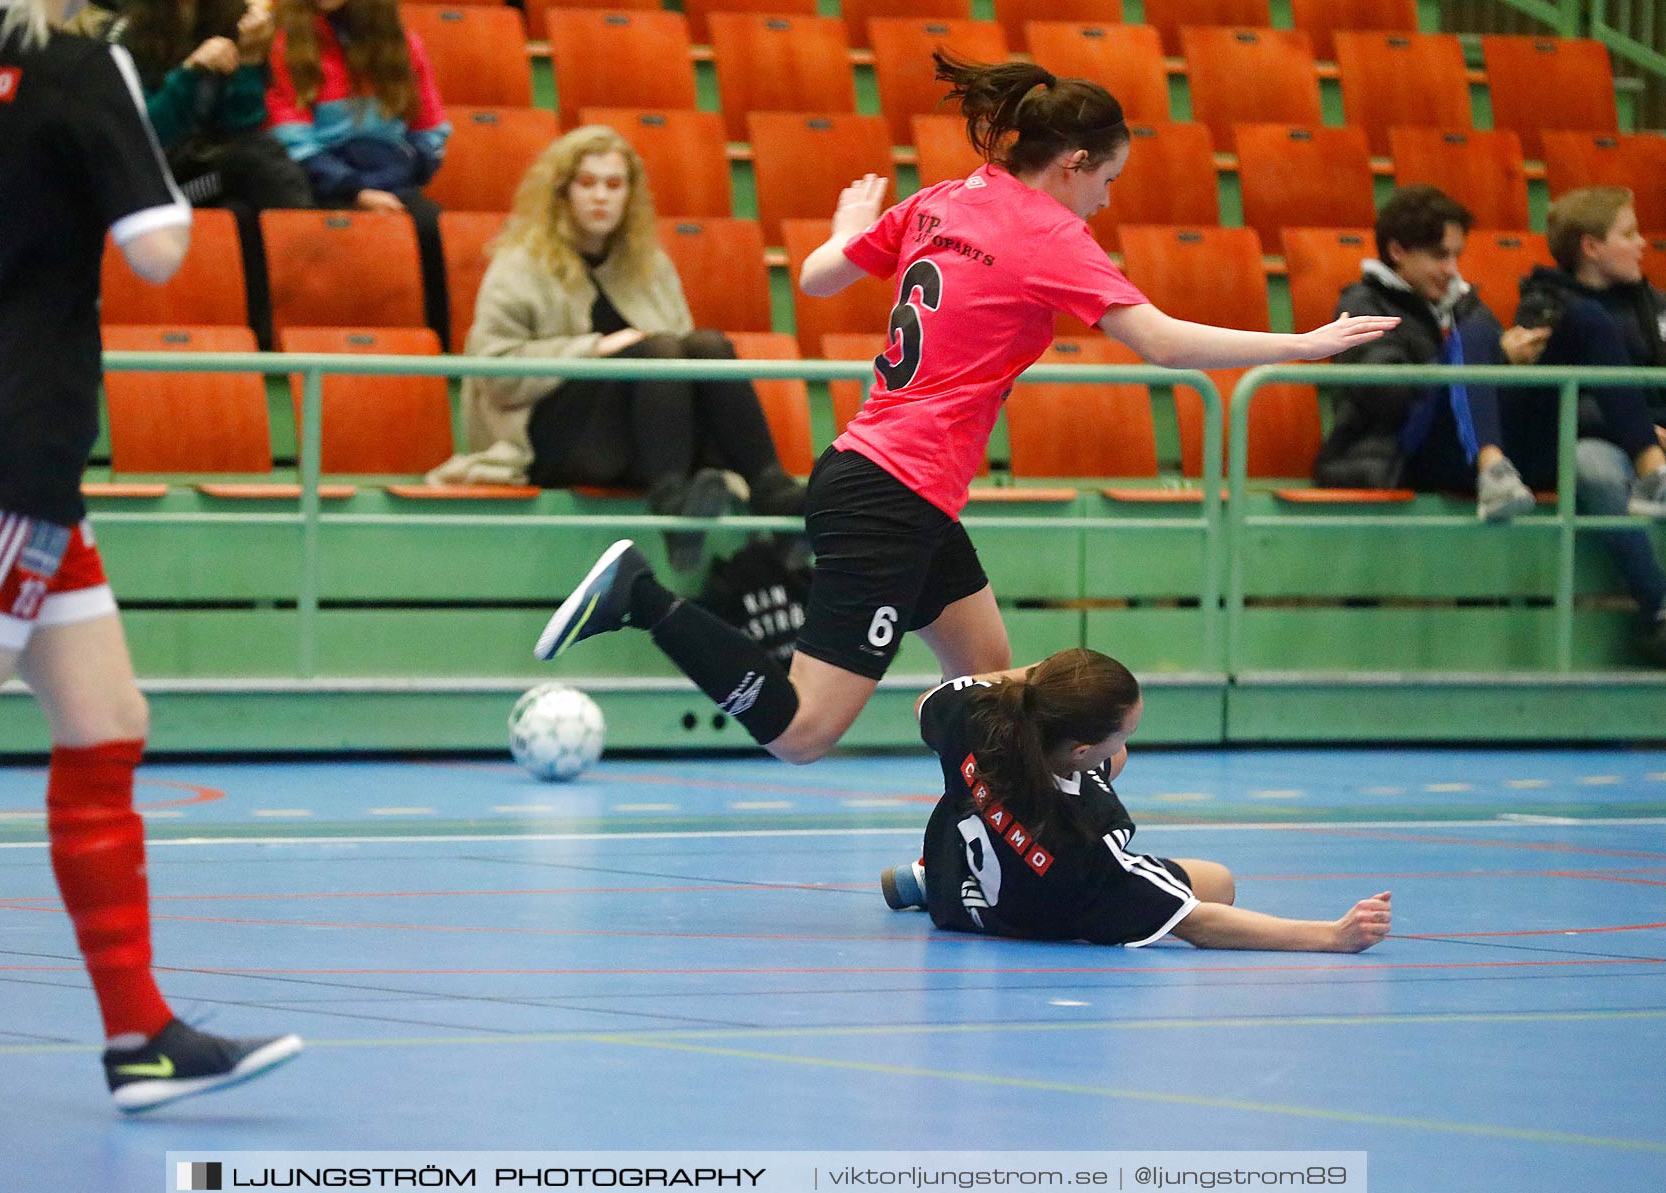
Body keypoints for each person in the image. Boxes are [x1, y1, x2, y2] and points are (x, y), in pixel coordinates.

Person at [533, 52, 1395, 766]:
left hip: (895, 480)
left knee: (990, 688)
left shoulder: (948, 198)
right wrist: (1303, 344)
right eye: (1109, 181)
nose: (1108, 200)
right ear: (1073, 165)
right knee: (802, 731)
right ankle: (641, 597)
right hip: (890, 495)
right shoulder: (1052, 235)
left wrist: (846, 226)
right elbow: (1164, 344)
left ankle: (973, 861)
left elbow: (817, 277)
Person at [0, 0, 300, 1112]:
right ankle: (139, 1030)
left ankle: (141, 1036)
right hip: (14, 443)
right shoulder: (70, 65)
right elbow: (158, 248)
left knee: (105, 722)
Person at [876, 648, 1393, 952]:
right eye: (1122, 733)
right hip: (1029, 912)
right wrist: (1330, 935)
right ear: (1079, 751)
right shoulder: (1089, 841)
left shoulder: (978, 721)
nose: (1124, 745)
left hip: (954, 889)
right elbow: (1198, 923)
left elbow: (928, 702)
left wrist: (1037, 677)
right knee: (1220, 884)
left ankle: (925, 876)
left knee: (1020, 800)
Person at [462, 125, 806, 572]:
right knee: (658, 349)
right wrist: (596, 349)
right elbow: (495, 376)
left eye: (613, 184)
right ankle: (672, 502)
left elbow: (687, 364)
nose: (600, 196)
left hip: (646, 440)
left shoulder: (649, 264)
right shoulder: (519, 265)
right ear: (562, 193)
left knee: (707, 346)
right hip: (554, 440)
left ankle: (773, 494)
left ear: (629, 194)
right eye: (586, 184)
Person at [71, 0, 313, 346]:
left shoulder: (233, 20)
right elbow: (140, 134)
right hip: (155, 179)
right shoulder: (128, 35)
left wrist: (249, 62)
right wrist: (189, 73)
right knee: (253, 164)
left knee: (241, 214)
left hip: (215, 167)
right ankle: (308, 278)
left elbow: (242, 123)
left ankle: (258, 338)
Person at [1313, 186, 1553, 521]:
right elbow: (1387, 395)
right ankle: (1492, 469)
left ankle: (1642, 455)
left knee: (1579, 324)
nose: (1452, 269)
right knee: (1475, 336)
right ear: (1397, 251)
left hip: (1458, 450)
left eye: (1457, 256)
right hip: (1400, 454)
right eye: (1440, 256)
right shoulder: (1362, 305)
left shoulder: (1465, 305)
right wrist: (1491, 356)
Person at [1513, 187, 1666, 664]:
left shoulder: (1653, 304)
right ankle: (1659, 604)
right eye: (1628, 234)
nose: (1643, 243)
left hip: (1654, 438)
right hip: (1587, 441)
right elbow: (1556, 404)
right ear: (1591, 248)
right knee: (1591, 465)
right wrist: (1640, 431)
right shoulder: (1543, 309)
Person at [264, 0, 451, 341]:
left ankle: (433, 348)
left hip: (393, 179)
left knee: (431, 224)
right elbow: (292, 140)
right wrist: (356, 189)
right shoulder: (288, 44)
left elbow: (431, 132)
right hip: (323, 182)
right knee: (339, 228)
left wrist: (391, 182)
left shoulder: (405, 45)